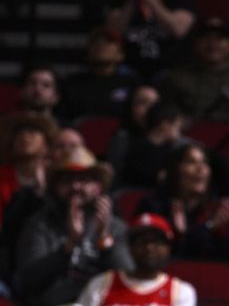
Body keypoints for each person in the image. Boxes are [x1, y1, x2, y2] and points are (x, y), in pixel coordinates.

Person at [13, 146, 133, 306]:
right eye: (67, 180)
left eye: (84, 180)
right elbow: (27, 283)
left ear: (98, 187)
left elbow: (130, 280)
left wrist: (104, 240)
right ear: (55, 187)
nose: (75, 186)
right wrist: (69, 246)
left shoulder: (115, 226)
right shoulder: (39, 224)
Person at [158, 17, 229, 124]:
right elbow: (166, 118)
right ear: (195, 44)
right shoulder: (176, 78)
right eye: (206, 37)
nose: (212, 44)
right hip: (190, 138)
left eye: (220, 38)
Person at [76, 212, 196, 306]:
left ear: (168, 248)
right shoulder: (101, 284)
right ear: (130, 247)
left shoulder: (181, 291)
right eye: (142, 241)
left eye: (156, 241)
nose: (149, 247)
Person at [61, 26, 140, 120]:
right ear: (88, 52)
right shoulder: (72, 84)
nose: (100, 45)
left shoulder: (131, 84)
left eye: (108, 42)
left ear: (120, 54)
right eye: (95, 42)